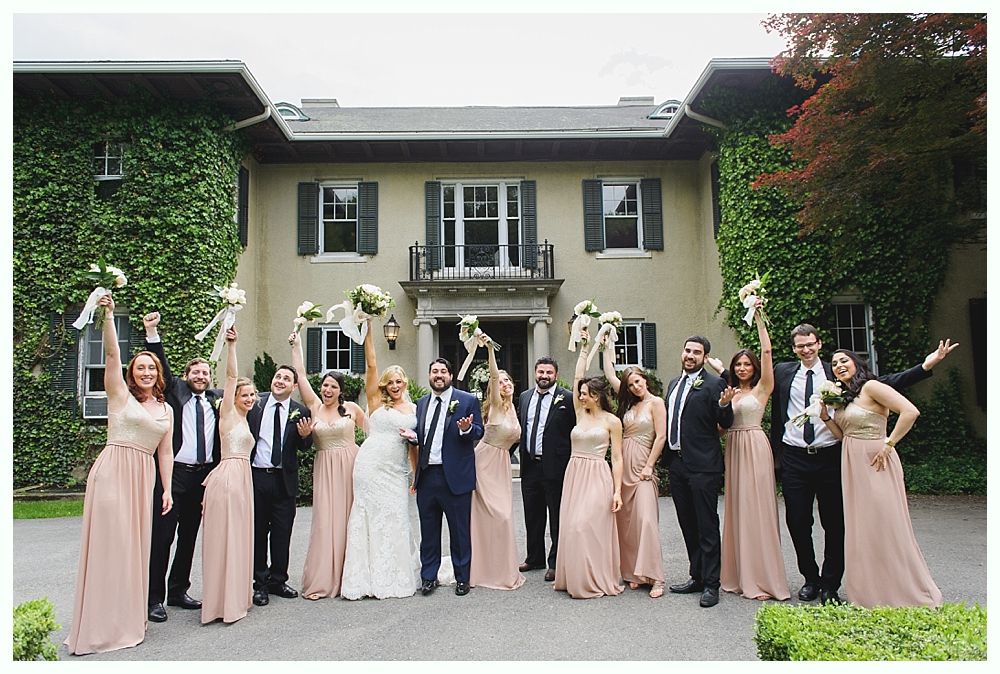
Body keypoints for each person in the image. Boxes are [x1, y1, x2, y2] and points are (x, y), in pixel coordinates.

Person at [767, 326, 957, 605]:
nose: (806, 349)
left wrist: (926, 365)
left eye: (810, 344)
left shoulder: (839, 375)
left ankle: (830, 584)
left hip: (831, 456)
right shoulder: (784, 372)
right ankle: (810, 578)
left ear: (819, 344)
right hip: (794, 457)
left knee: (836, 523)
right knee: (797, 521)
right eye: (800, 346)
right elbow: (750, 377)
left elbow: (888, 383)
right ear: (794, 348)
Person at [66, 293, 174, 655]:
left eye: (152, 368)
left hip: (144, 478)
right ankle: (99, 623)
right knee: (110, 546)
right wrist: (109, 317)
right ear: (131, 373)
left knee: (134, 549)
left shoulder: (165, 409)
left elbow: (166, 451)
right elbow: (111, 356)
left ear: (158, 374)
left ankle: (127, 617)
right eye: (140, 367)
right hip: (113, 472)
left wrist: (167, 490)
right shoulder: (119, 396)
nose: (146, 372)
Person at [818, 349, 942, 608]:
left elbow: (910, 411)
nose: (839, 366)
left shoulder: (872, 387)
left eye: (844, 360)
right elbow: (844, 435)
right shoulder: (845, 397)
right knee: (862, 528)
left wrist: (889, 443)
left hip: (876, 461)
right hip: (851, 463)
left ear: (856, 362)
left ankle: (903, 588)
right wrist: (826, 418)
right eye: (834, 364)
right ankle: (871, 590)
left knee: (885, 524)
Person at [143, 312, 221, 622]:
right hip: (173, 474)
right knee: (163, 536)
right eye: (196, 372)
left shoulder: (215, 399)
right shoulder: (176, 392)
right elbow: (160, 362)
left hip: (202, 476)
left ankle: (178, 590)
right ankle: (154, 598)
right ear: (186, 375)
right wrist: (152, 332)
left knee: (189, 535)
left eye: (205, 373)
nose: (201, 376)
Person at [341, 319, 420, 600]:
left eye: (400, 381)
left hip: (396, 470)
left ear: (405, 383)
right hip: (370, 465)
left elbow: (414, 445)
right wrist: (370, 327)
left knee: (396, 515)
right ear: (385, 384)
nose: (395, 385)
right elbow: (372, 364)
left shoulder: (413, 407)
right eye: (391, 381)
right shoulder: (376, 401)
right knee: (368, 515)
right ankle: (364, 579)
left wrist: (415, 474)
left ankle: (396, 575)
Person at [718, 307, 790, 601]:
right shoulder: (729, 392)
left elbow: (768, 350)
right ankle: (739, 575)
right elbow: (721, 429)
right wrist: (723, 406)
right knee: (737, 508)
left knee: (757, 509)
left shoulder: (763, 388)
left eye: (747, 364)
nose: (743, 368)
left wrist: (759, 315)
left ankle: (762, 578)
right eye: (738, 365)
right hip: (733, 448)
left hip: (755, 445)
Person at [288, 332, 366, 600]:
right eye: (324, 385)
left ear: (341, 390)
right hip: (325, 468)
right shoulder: (314, 407)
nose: (327, 390)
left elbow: (374, 435)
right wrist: (297, 345)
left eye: (333, 386)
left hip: (350, 467)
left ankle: (351, 576)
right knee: (325, 521)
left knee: (349, 520)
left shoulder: (353, 409)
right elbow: (299, 375)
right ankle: (324, 578)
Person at [663, 335, 736, 609]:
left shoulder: (715, 384)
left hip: (703, 465)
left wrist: (724, 406)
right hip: (677, 464)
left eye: (696, 352)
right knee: (687, 523)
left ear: (705, 357)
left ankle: (712, 584)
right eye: (687, 350)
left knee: (706, 525)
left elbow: (725, 422)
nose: (690, 355)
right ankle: (697, 575)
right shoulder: (673, 383)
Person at [553, 331, 624, 598]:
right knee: (572, 526)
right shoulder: (579, 412)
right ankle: (574, 576)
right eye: (580, 393)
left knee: (586, 526)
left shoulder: (611, 421)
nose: (581, 396)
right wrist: (584, 346)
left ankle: (593, 579)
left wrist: (617, 491)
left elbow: (617, 458)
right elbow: (576, 377)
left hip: (597, 474)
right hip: (574, 473)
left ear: (596, 396)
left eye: (585, 394)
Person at [412, 357, 484, 597]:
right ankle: (428, 577)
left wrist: (465, 429)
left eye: (443, 371)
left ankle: (462, 578)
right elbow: (422, 433)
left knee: (459, 532)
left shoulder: (467, 401)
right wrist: (413, 437)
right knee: (429, 533)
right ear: (429, 376)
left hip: (455, 477)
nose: (438, 375)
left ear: (451, 376)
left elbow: (478, 431)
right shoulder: (421, 403)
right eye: (434, 371)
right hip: (427, 477)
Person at [247, 357, 313, 607]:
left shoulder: (300, 411)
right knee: (258, 532)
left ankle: (278, 579)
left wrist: (306, 437)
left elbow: (304, 447)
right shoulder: (256, 403)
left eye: (286, 379)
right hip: (257, 477)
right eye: (278, 377)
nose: (280, 381)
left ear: (293, 386)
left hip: (284, 480)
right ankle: (260, 584)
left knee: (282, 533)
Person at [200, 328, 254, 623]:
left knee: (239, 537)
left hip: (243, 478)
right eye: (243, 395)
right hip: (229, 476)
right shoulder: (228, 414)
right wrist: (232, 346)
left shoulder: (245, 419)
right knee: (227, 537)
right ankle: (222, 603)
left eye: (250, 395)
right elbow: (231, 378)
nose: (247, 398)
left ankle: (236, 596)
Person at [602, 350, 667, 598]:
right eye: (630, 384)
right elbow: (609, 373)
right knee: (626, 522)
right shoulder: (629, 403)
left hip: (643, 465)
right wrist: (606, 342)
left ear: (645, 380)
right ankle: (634, 574)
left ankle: (657, 577)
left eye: (638, 381)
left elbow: (660, 436)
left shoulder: (656, 403)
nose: (635, 386)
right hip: (623, 466)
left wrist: (650, 465)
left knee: (646, 521)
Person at [469, 338, 525, 590]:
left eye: (508, 381)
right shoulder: (494, 406)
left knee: (503, 517)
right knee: (495, 517)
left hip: (501, 464)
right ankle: (485, 569)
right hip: (485, 462)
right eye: (500, 382)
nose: (504, 384)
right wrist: (491, 349)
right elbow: (493, 377)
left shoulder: (514, 408)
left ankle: (499, 567)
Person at [517, 356, 577, 582]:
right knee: (532, 514)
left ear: (556, 375)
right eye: (540, 372)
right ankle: (534, 558)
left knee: (556, 516)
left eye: (548, 373)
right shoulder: (524, 397)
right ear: (535, 373)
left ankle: (555, 562)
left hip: (556, 466)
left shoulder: (568, 399)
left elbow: (575, 431)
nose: (544, 376)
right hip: (530, 465)